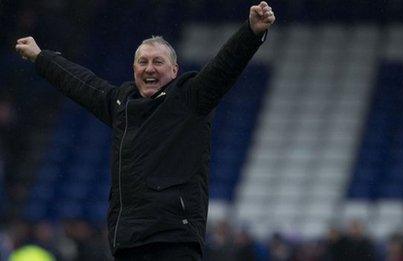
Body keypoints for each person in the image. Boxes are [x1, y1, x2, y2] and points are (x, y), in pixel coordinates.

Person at [15, 1, 275, 260]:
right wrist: (41, 57)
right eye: (143, 62)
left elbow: (224, 66)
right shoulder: (121, 104)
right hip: (129, 242)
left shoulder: (190, 98)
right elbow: (81, 84)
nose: (149, 68)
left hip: (174, 240)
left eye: (158, 62)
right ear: (134, 70)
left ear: (174, 70)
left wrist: (251, 32)